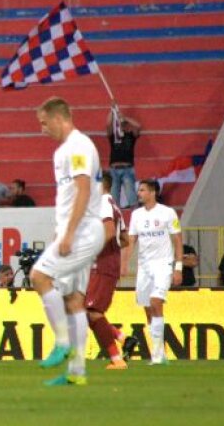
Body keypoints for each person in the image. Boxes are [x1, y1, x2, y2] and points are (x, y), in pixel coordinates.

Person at [29, 97, 106, 387]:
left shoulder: (79, 147)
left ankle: (62, 343)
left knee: (39, 277)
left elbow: (84, 190)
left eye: (44, 123)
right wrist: (61, 231)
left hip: (83, 232)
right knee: (74, 301)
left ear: (59, 118)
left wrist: (70, 233)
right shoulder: (64, 151)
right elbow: (69, 197)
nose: (42, 129)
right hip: (74, 231)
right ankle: (77, 372)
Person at [124, 179, 183, 366]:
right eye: (139, 190)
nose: (139, 193)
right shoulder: (136, 215)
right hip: (144, 267)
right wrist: (123, 263)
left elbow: (178, 241)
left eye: (142, 190)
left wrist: (178, 268)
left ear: (152, 192)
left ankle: (158, 356)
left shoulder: (167, 213)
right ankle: (159, 353)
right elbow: (131, 240)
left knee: (156, 300)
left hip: (163, 264)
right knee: (148, 309)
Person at [83, 173, 128, 369]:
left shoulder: (102, 202)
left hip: (102, 264)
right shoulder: (114, 205)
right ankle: (120, 337)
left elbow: (109, 231)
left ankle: (117, 359)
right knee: (86, 311)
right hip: (106, 263)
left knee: (92, 312)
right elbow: (124, 239)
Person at [106, 105, 142, 208]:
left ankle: (137, 221)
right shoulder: (113, 136)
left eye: (124, 124)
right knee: (113, 201)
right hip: (113, 170)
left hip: (127, 169)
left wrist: (125, 118)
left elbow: (138, 126)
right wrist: (112, 111)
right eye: (121, 124)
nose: (122, 126)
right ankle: (115, 222)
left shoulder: (131, 136)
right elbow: (108, 125)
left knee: (132, 198)